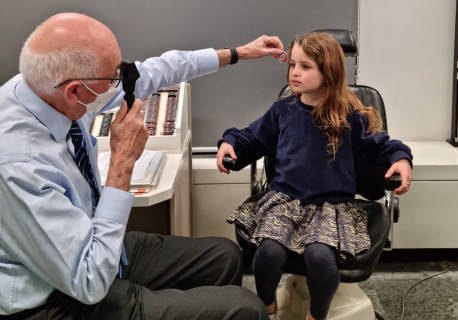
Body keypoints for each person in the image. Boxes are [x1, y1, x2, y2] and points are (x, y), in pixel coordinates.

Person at [0, 12, 285, 319]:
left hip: (89, 242)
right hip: (61, 294)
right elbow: (89, 281)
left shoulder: (46, 87)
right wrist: (123, 161)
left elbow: (153, 72)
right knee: (248, 309)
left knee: (226, 257)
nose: (121, 82)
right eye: (113, 77)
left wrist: (237, 53)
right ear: (74, 91)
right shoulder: (19, 163)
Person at [216, 32, 413, 320]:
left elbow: (382, 145)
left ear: (329, 72)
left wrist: (401, 159)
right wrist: (230, 142)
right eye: (292, 64)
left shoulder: (348, 116)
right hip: (286, 203)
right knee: (268, 254)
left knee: (320, 258)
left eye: (305, 67)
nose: (294, 72)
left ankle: (316, 315)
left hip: (331, 208)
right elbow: (251, 138)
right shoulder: (283, 110)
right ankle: (268, 306)